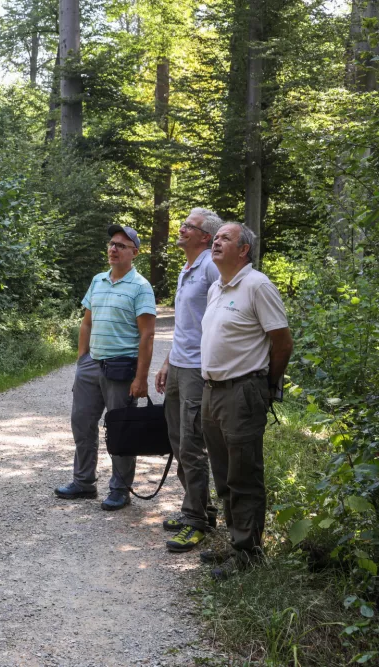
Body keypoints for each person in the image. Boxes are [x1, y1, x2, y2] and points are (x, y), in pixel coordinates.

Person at [198, 222, 293, 579]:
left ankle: (249, 556)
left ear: (244, 250)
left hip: (243, 392)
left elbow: (282, 342)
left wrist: (264, 386)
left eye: (225, 238)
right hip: (212, 392)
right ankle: (236, 543)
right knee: (223, 474)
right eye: (216, 237)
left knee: (244, 475)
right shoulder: (216, 288)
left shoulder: (258, 285)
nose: (217, 242)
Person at [55, 224, 156, 511]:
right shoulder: (98, 280)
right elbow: (86, 322)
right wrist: (82, 359)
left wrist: (141, 378)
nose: (113, 249)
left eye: (121, 245)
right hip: (91, 366)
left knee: (120, 429)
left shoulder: (141, 287)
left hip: (122, 368)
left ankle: (120, 489)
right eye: (112, 244)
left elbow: (147, 335)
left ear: (134, 253)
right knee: (82, 423)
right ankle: (83, 482)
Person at [154, 209, 223, 553]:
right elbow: (186, 325)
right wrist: (167, 362)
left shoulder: (212, 266)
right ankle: (199, 509)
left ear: (205, 237)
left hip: (198, 370)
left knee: (192, 446)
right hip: (179, 367)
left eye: (189, 226)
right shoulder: (187, 269)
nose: (181, 228)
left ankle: (196, 521)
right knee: (179, 440)